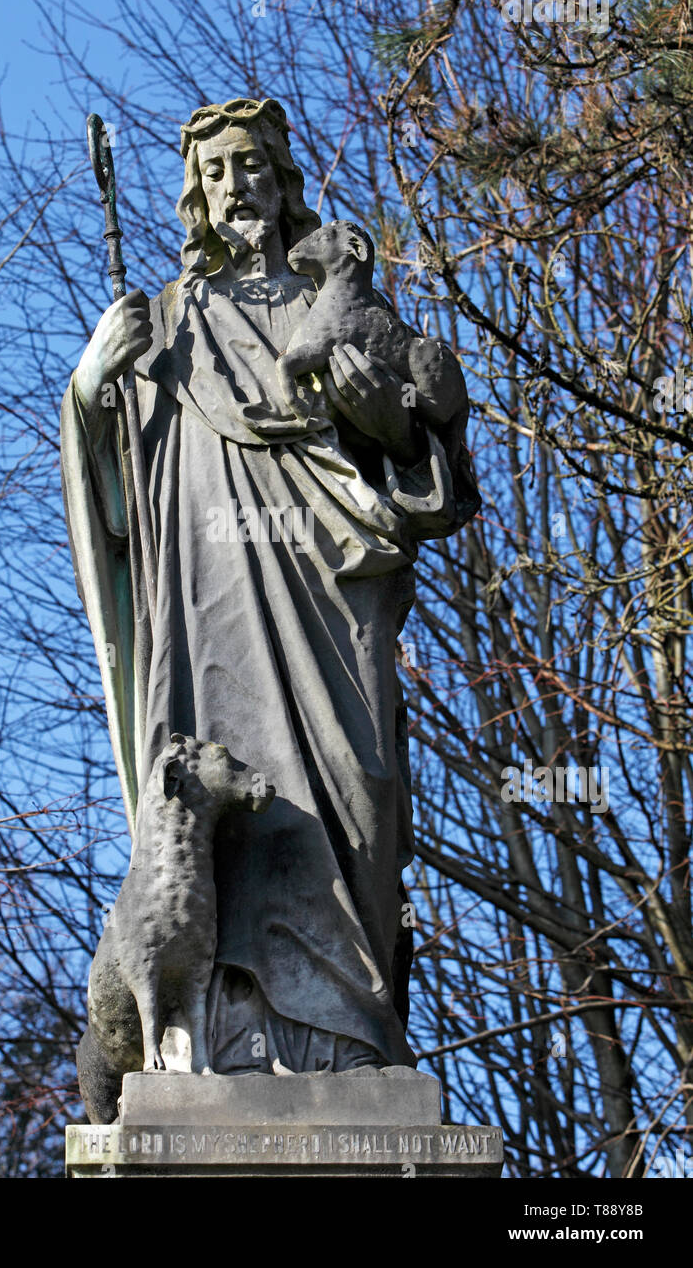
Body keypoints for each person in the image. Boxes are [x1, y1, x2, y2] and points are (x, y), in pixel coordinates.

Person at [61, 97, 479, 1074]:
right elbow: (114, 504)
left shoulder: (324, 300)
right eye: (215, 174)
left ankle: (343, 1038)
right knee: (219, 811)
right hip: (206, 602)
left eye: (251, 165)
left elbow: (427, 459)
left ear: (280, 179)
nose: (235, 187)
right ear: (196, 199)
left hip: (330, 590)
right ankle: (221, 1030)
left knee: (355, 796)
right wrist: (91, 388)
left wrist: (384, 420)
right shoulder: (162, 324)